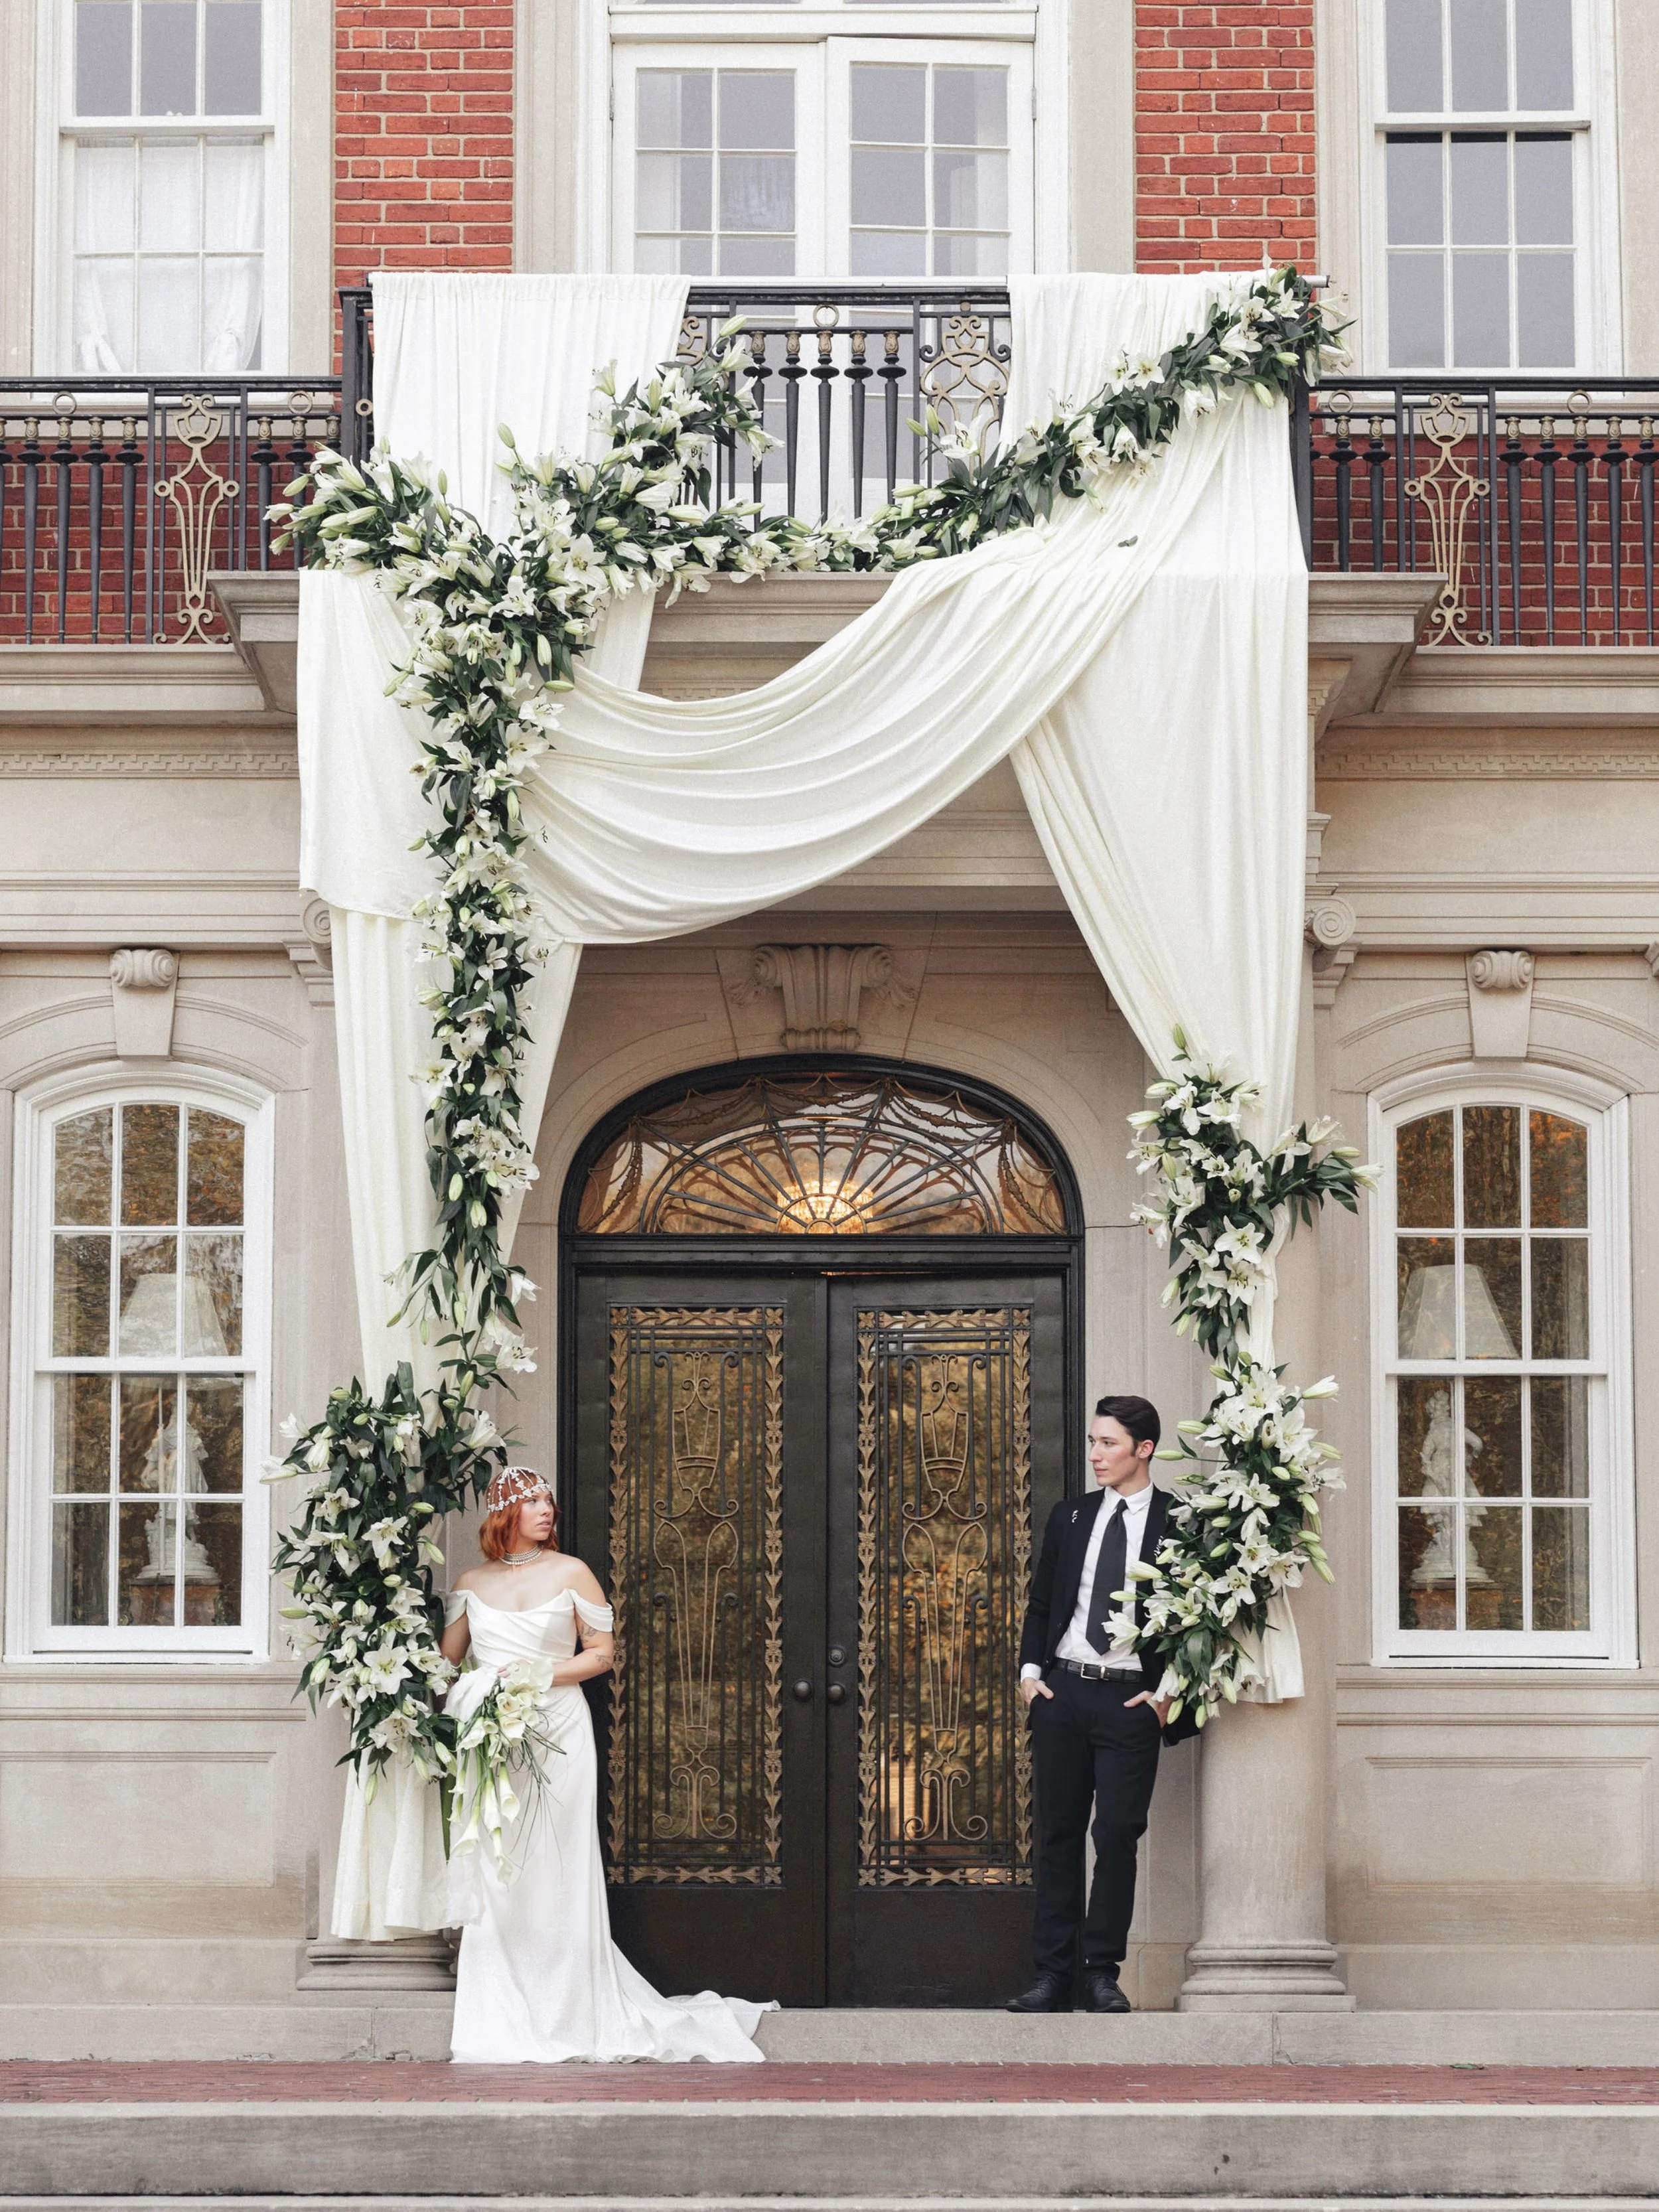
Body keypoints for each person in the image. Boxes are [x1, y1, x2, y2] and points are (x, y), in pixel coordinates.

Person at [438, 1463, 774, 2062]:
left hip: (558, 1729)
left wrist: (536, 1674)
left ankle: (570, 2005)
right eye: (534, 1501)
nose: (547, 1510)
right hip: (492, 1737)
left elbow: (601, 1654)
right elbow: (449, 1663)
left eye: (549, 1500)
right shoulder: (470, 1581)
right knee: (500, 1864)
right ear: (504, 1513)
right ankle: (505, 2009)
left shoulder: (572, 1573)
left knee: (558, 1860)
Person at [1007, 1394, 1198, 2014]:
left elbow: (1203, 1619)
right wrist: (1031, 1675)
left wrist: (1167, 1692)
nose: (1095, 1454)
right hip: (1064, 1692)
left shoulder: (1181, 1520)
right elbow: (1042, 1604)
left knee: (1116, 1835)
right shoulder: (1070, 1516)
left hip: (1130, 1700)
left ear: (1144, 1449)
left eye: (1108, 1443)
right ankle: (1051, 1976)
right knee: (1058, 1836)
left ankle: (1100, 1973)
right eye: (1093, 1441)